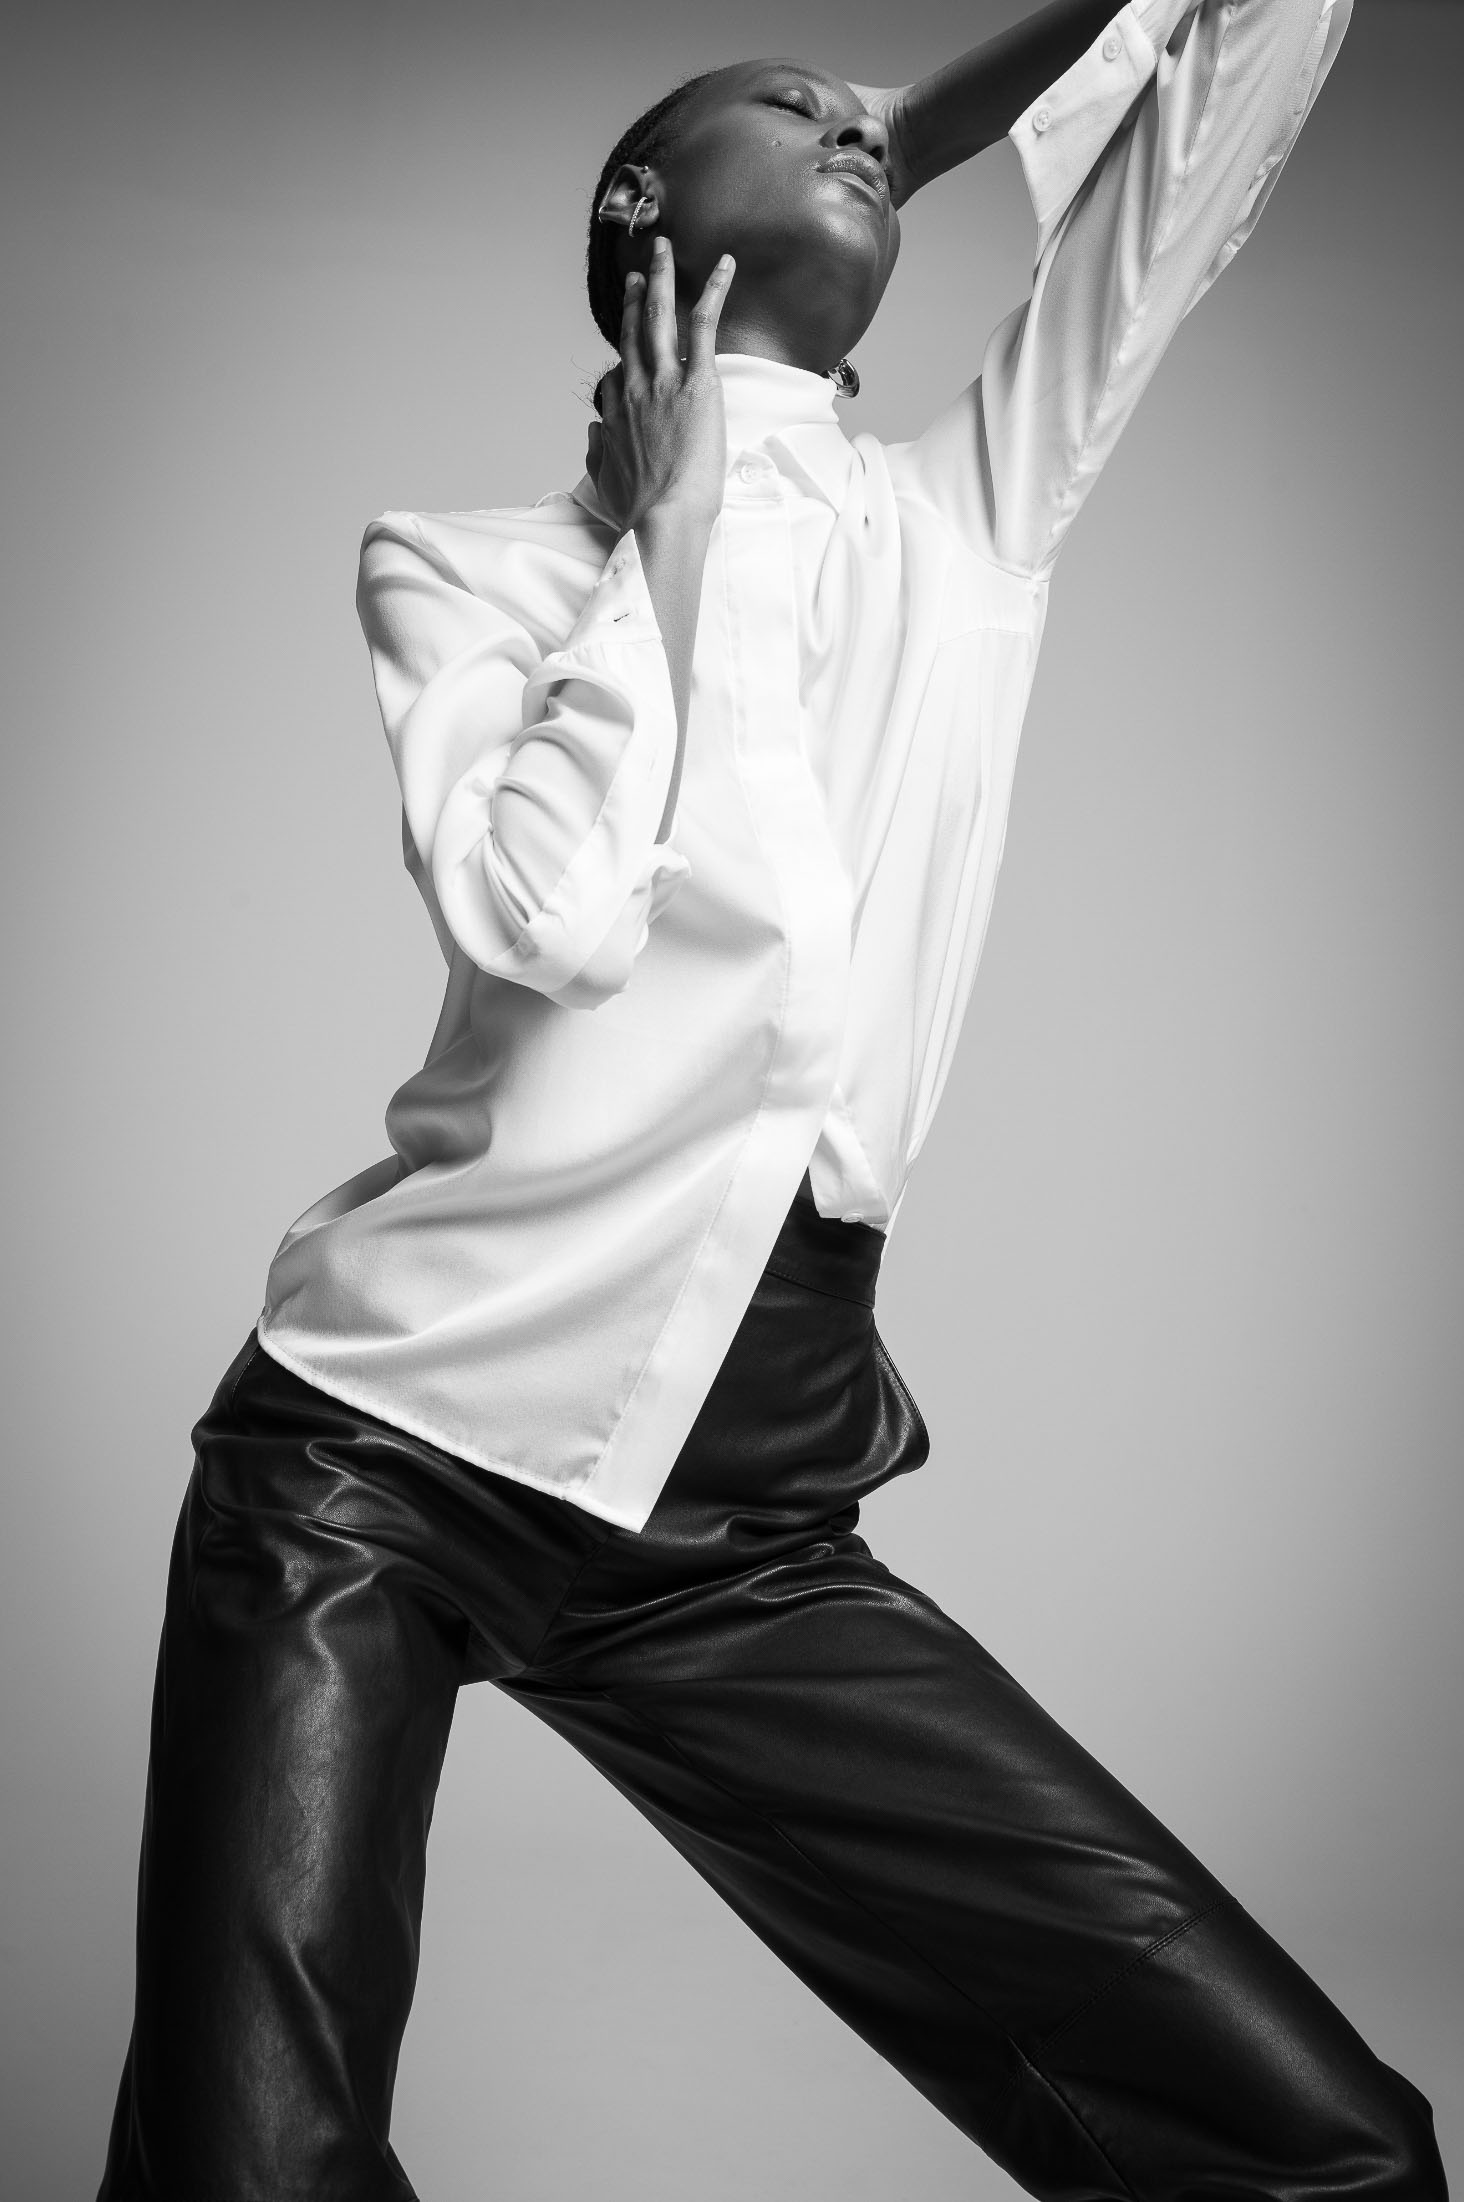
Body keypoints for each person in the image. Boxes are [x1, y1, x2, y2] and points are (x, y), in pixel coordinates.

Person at [98, 0, 1451, 2196]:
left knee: (1329, 2151)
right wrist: (667, 546)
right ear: (640, 201)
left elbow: (1246, 53)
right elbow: (545, 915)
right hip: (374, 1457)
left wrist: (922, 121)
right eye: (785, 101)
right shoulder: (463, 566)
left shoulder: (967, 524)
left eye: (862, 117)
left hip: (737, 1517)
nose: (841, 118)